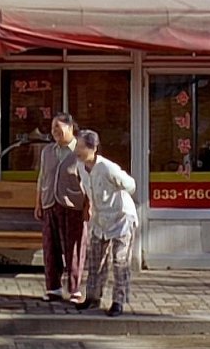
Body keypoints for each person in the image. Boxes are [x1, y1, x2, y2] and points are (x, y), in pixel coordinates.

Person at [73, 129, 137, 317]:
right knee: (95, 261)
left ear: (93, 148)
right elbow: (88, 190)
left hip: (121, 218)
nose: (77, 150)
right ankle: (93, 297)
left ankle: (118, 301)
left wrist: (117, 192)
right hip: (100, 219)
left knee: (120, 262)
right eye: (77, 146)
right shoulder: (80, 167)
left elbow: (130, 185)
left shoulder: (107, 167)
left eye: (81, 147)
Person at [34, 112, 85, 302]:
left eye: (59, 126)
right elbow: (42, 178)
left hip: (73, 205)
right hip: (50, 203)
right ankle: (53, 288)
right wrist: (38, 203)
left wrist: (88, 206)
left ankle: (74, 289)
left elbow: (88, 180)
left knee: (74, 248)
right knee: (50, 247)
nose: (55, 130)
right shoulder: (47, 151)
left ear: (70, 128)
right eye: (53, 127)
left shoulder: (80, 150)